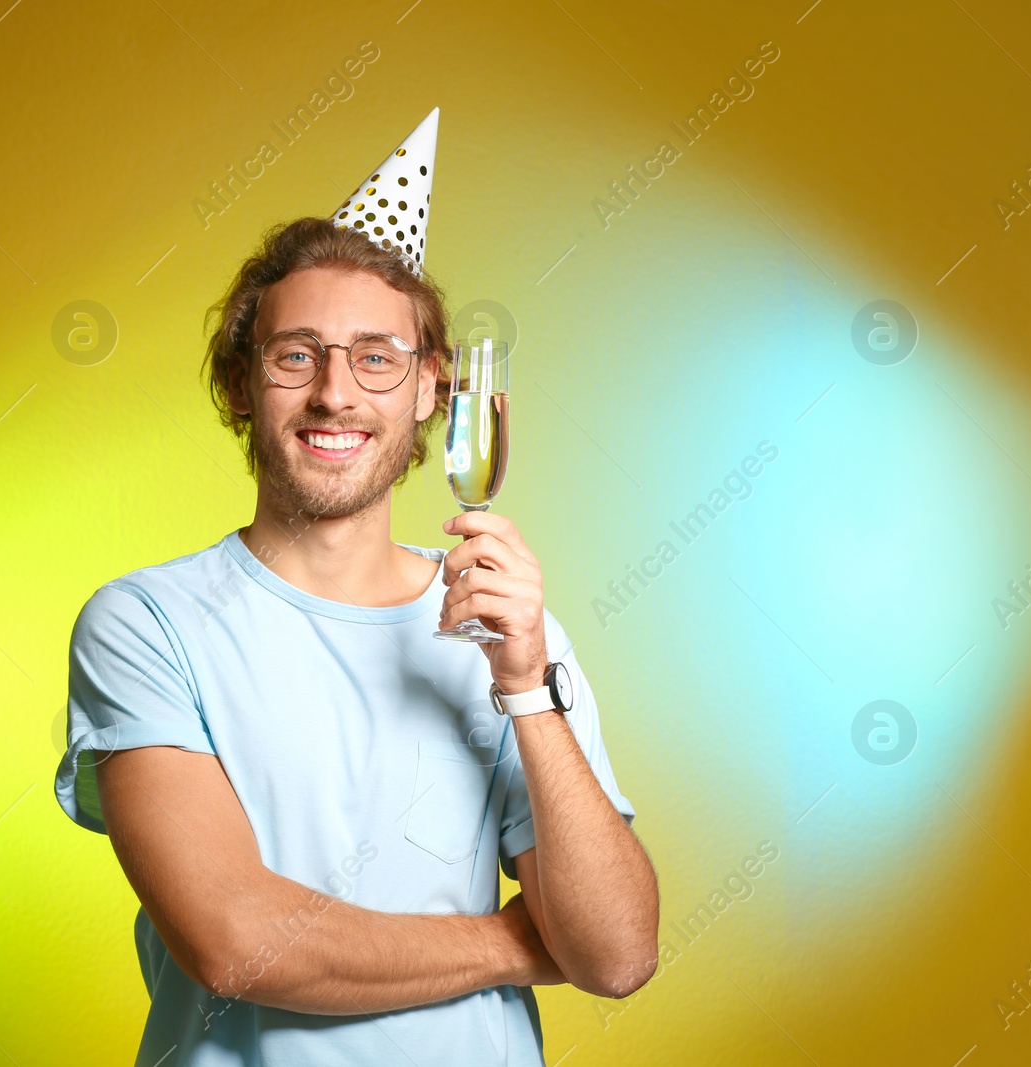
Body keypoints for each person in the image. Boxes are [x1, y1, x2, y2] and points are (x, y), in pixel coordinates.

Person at [55, 110, 658, 1066]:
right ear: (243, 383)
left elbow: (618, 951)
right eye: (298, 354)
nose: (337, 393)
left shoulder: (510, 637)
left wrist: (527, 688)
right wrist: (514, 944)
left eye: (376, 357)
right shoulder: (146, 623)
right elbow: (237, 941)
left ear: (431, 390)